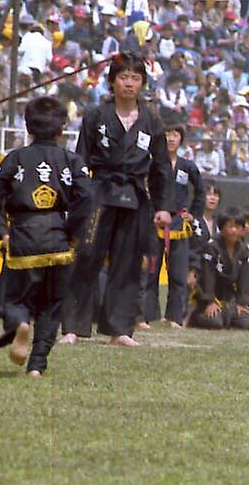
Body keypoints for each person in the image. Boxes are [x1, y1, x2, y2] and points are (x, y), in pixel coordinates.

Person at [61, 51, 173, 347]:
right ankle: (72, 326)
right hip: (100, 191)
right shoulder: (96, 115)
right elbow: (81, 159)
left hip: (135, 194)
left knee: (128, 262)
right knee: (87, 256)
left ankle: (119, 329)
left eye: (135, 78)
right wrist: (79, 197)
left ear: (143, 84)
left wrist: (163, 207)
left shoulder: (152, 119)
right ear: (111, 82)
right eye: (123, 77)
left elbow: (161, 167)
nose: (129, 83)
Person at [0, 96, 93, 376]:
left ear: (28, 128)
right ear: (61, 129)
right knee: (51, 305)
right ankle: (36, 365)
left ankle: (21, 323)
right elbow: (86, 198)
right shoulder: (73, 161)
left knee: (16, 299)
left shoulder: (15, 158)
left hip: (23, 236)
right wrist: (73, 232)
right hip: (58, 238)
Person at [139, 122, 204, 329]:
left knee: (178, 272)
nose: (171, 138)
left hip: (179, 222)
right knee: (151, 271)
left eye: (175, 135)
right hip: (155, 219)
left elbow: (200, 192)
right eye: (167, 134)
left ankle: (174, 317)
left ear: (181, 139)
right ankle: (146, 316)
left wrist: (193, 214)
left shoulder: (188, 166)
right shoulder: (153, 164)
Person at [188, 207, 249, 329]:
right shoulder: (212, 247)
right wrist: (210, 302)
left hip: (228, 298)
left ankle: (227, 315)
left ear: (242, 230)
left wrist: (242, 303)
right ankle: (196, 316)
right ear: (221, 228)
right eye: (230, 226)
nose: (233, 230)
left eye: (237, 227)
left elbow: (244, 279)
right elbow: (207, 276)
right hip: (209, 297)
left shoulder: (243, 250)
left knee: (247, 323)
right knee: (216, 323)